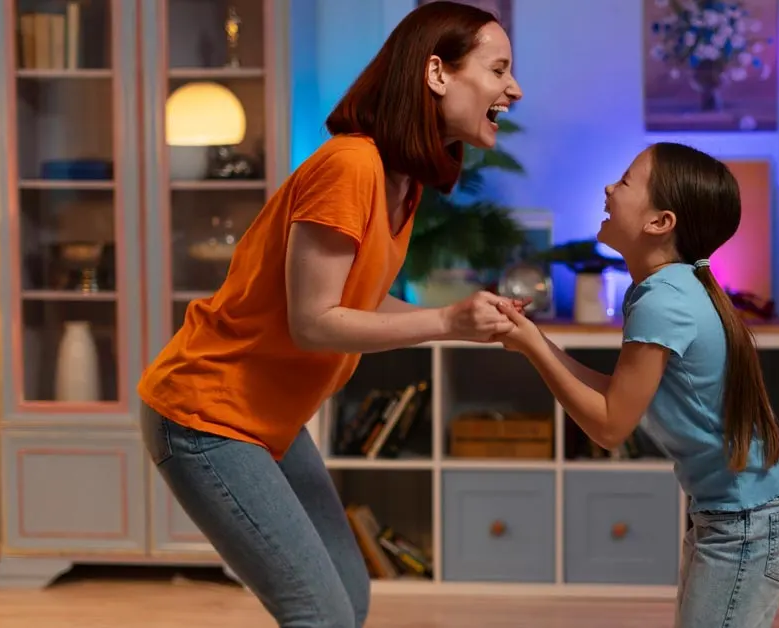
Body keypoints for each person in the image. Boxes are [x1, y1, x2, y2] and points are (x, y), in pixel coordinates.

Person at [135, 3, 523, 626]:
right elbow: (314, 322)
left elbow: (359, 302)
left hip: (269, 419)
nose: (514, 87)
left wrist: (460, 316)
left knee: (349, 594)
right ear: (436, 73)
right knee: (321, 615)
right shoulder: (351, 165)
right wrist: (447, 325)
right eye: (499, 68)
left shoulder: (403, 181)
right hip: (206, 413)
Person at [494, 142, 779, 628]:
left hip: (747, 518)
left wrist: (534, 348)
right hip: (737, 511)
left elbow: (609, 426)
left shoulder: (662, 300)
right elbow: (620, 397)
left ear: (660, 222)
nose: (607, 188)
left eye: (623, 181)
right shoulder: (670, 288)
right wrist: (532, 339)